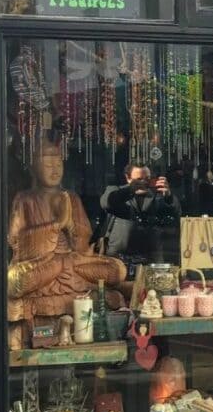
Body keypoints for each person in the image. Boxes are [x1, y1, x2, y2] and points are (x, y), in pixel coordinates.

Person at [7, 140, 126, 349]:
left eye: (58, 162)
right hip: (42, 267)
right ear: (33, 166)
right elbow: (16, 243)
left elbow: (81, 242)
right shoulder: (25, 199)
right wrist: (56, 225)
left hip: (73, 264)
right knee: (13, 280)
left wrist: (73, 231)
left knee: (118, 270)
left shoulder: (71, 197)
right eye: (48, 162)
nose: (55, 168)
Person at [100, 161, 182, 264]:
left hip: (151, 258)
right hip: (118, 257)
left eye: (147, 179)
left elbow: (176, 213)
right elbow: (107, 203)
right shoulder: (115, 190)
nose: (143, 183)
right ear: (128, 178)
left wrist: (169, 197)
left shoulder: (158, 196)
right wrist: (130, 190)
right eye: (139, 180)